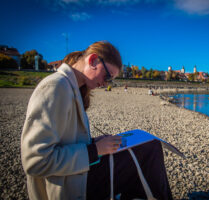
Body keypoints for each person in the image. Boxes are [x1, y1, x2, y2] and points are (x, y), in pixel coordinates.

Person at [21, 41, 172, 200]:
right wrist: (95, 150)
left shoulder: (72, 88)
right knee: (150, 149)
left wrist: (93, 143)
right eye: (107, 77)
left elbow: (64, 141)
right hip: (67, 185)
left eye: (110, 81)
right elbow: (35, 161)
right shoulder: (55, 86)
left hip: (75, 174)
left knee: (148, 144)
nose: (106, 84)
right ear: (93, 61)